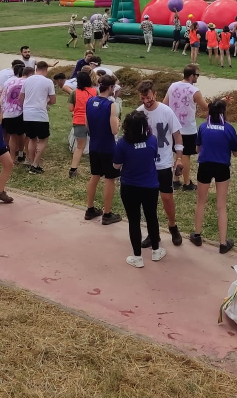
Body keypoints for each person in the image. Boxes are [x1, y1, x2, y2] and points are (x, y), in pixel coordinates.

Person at [112, 110, 165, 268]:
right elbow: (154, 156)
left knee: (134, 221)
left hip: (129, 187)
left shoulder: (122, 143)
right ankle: (156, 250)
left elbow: (116, 165)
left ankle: (137, 257)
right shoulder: (152, 140)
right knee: (151, 217)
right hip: (150, 186)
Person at [137, 80, 184, 247]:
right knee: (148, 201)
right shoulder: (139, 114)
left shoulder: (166, 111)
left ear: (154, 94)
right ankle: (152, 233)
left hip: (164, 163)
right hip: (146, 165)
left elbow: (178, 135)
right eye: (143, 98)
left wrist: (178, 157)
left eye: (148, 98)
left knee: (166, 197)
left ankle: (172, 226)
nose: (146, 101)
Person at [191, 98, 237, 254]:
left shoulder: (204, 127)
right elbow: (236, 153)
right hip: (222, 167)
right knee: (221, 205)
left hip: (205, 166)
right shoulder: (229, 129)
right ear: (223, 112)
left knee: (201, 202)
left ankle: (197, 234)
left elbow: (198, 149)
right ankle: (223, 243)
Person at [84, 74, 122, 225]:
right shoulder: (111, 105)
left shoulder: (90, 101)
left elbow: (87, 125)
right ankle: (107, 213)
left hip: (94, 146)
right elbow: (114, 130)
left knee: (94, 176)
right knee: (109, 179)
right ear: (111, 87)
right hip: (108, 147)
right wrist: (118, 121)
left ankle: (90, 208)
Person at [164, 64, 208, 192]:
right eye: (197, 75)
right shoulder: (194, 91)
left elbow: (165, 103)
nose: (197, 78)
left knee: (176, 153)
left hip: (173, 127)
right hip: (187, 128)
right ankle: (187, 182)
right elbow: (206, 107)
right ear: (191, 76)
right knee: (186, 156)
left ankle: (175, 180)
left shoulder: (173, 86)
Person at [18, 61, 56, 174]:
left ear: (36, 69)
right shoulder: (48, 82)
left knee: (32, 138)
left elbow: (21, 98)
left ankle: (30, 160)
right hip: (40, 114)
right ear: (46, 69)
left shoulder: (27, 80)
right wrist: (45, 102)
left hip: (27, 114)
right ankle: (35, 164)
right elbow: (53, 100)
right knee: (43, 139)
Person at [68, 70, 97, 178]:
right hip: (92, 121)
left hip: (79, 121)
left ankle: (73, 169)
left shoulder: (74, 92)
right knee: (94, 145)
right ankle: (96, 168)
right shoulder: (94, 92)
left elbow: (70, 108)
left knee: (80, 147)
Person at [1, 65, 31, 165]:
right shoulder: (27, 82)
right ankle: (21, 153)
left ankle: (12, 158)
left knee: (12, 136)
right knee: (21, 134)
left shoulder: (9, 81)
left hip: (7, 112)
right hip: (19, 111)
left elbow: (3, 97)